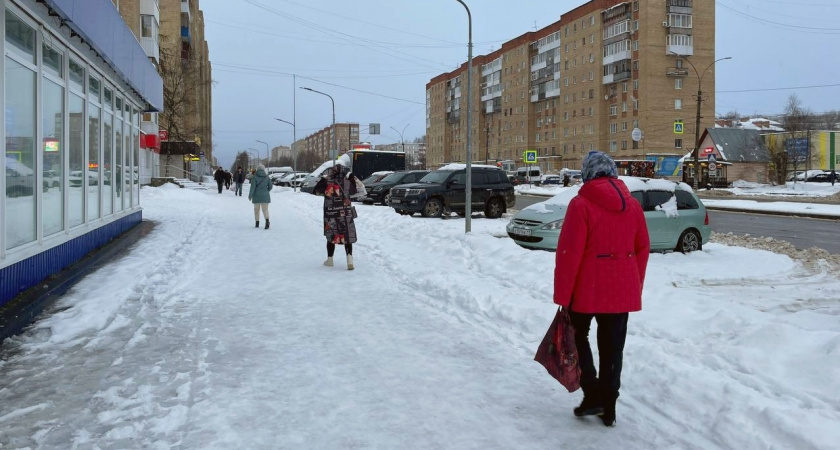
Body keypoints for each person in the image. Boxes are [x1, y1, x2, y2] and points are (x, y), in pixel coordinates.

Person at [552, 151, 650, 427]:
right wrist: (634, 283)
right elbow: (642, 248)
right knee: (613, 349)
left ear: (587, 174)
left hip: (586, 290)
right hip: (622, 290)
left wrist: (563, 295)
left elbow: (569, 254)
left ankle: (592, 393)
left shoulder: (581, 204)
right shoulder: (632, 206)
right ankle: (609, 407)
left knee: (576, 337)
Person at [313, 164, 357, 270]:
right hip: (345, 213)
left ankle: (330, 259)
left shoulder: (327, 181)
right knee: (347, 236)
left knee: (331, 234)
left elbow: (316, 190)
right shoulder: (347, 182)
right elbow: (354, 191)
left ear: (332, 172)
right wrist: (351, 178)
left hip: (331, 214)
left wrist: (323, 180)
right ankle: (349, 259)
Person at [248, 164, 272, 229]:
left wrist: (250, 195)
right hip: (265, 196)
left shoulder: (255, 177)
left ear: (257, 169)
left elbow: (252, 188)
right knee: (265, 210)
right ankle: (267, 221)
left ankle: (257, 223)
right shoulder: (267, 177)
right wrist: (266, 191)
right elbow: (270, 186)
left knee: (256, 209)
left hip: (256, 196)